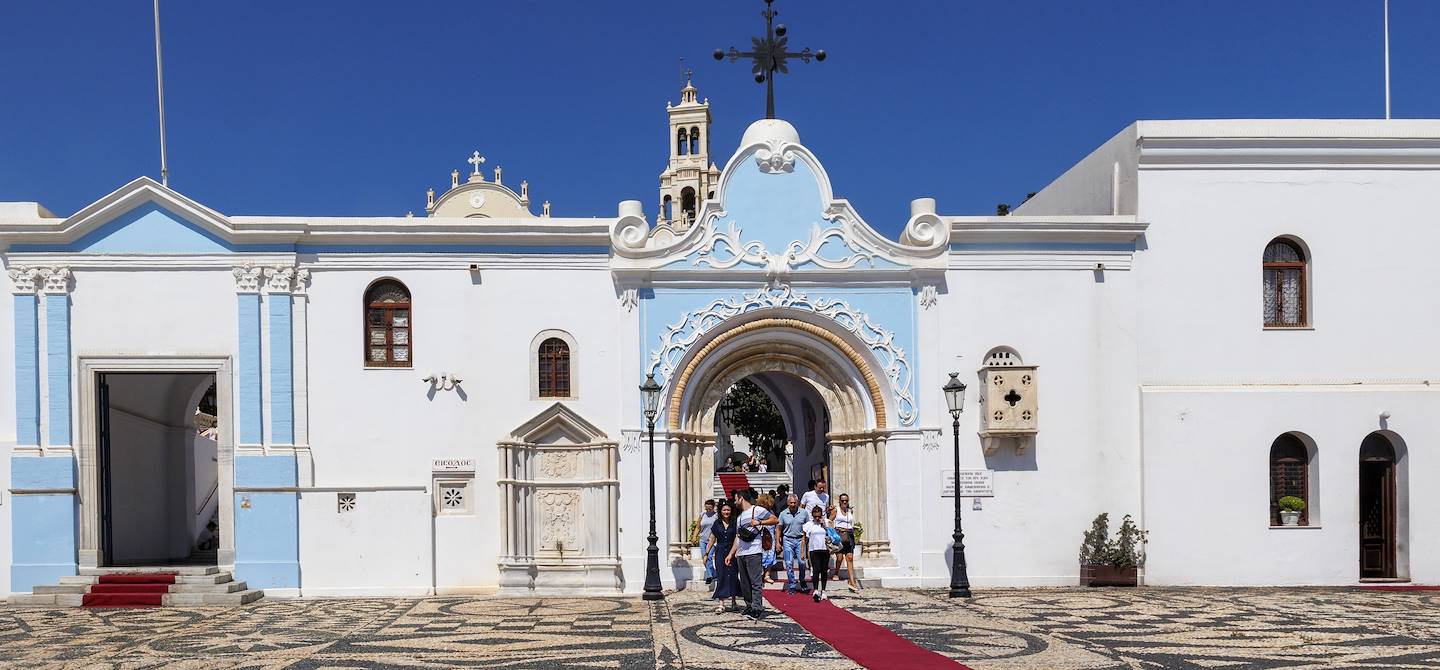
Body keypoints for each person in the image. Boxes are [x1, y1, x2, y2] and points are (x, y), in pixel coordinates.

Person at [726, 488, 778, 618]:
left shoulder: (757, 510)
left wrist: (760, 522)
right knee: (744, 582)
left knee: (755, 581)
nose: (734, 502)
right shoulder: (739, 517)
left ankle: (757, 607)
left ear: (741, 498)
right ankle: (749, 606)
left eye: (736, 499)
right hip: (741, 553)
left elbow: (775, 519)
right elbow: (737, 537)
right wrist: (731, 554)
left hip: (754, 551)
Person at [707, 501, 741, 613]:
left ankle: (734, 601)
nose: (726, 512)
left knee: (733, 575)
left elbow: (737, 538)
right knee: (721, 575)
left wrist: (734, 552)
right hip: (720, 552)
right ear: (720, 511)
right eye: (724, 510)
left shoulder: (735, 523)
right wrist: (706, 553)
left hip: (733, 551)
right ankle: (721, 603)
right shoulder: (717, 523)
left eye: (728, 510)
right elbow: (712, 538)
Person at [777, 494, 810, 593]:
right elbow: (778, 528)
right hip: (787, 539)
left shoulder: (804, 513)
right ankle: (792, 584)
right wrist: (778, 542)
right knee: (788, 563)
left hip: (800, 540)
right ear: (787, 503)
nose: (792, 504)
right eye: (791, 502)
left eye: (794, 503)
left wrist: (807, 541)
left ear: (798, 502)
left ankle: (802, 579)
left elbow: (807, 527)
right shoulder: (783, 514)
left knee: (802, 562)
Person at [801, 503, 832, 601]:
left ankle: (823, 590)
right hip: (814, 550)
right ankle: (815, 589)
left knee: (824, 570)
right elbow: (804, 539)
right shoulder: (808, 525)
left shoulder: (826, 522)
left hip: (825, 549)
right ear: (812, 516)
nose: (817, 518)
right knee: (816, 569)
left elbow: (832, 534)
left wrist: (824, 525)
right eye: (815, 516)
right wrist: (802, 552)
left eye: (819, 516)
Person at [830, 493, 860, 591]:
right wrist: (831, 532)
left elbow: (851, 522)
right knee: (839, 557)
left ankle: (852, 582)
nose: (844, 502)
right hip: (839, 534)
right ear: (839, 501)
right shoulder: (836, 510)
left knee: (850, 558)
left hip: (849, 534)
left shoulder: (850, 510)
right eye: (842, 500)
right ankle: (836, 572)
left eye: (846, 500)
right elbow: (829, 521)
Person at [756, 492, 779, 585]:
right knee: (760, 556)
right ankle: (760, 575)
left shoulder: (771, 513)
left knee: (770, 555)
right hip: (760, 536)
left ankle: (767, 575)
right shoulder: (757, 513)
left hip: (770, 537)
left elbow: (776, 524)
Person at [696, 499, 718, 584]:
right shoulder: (702, 515)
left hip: (712, 540)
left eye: (710, 508)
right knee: (704, 557)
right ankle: (713, 574)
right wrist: (694, 536)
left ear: (713, 507)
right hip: (702, 539)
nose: (708, 510)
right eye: (707, 508)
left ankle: (709, 576)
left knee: (708, 557)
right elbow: (698, 527)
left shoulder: (716, 516)